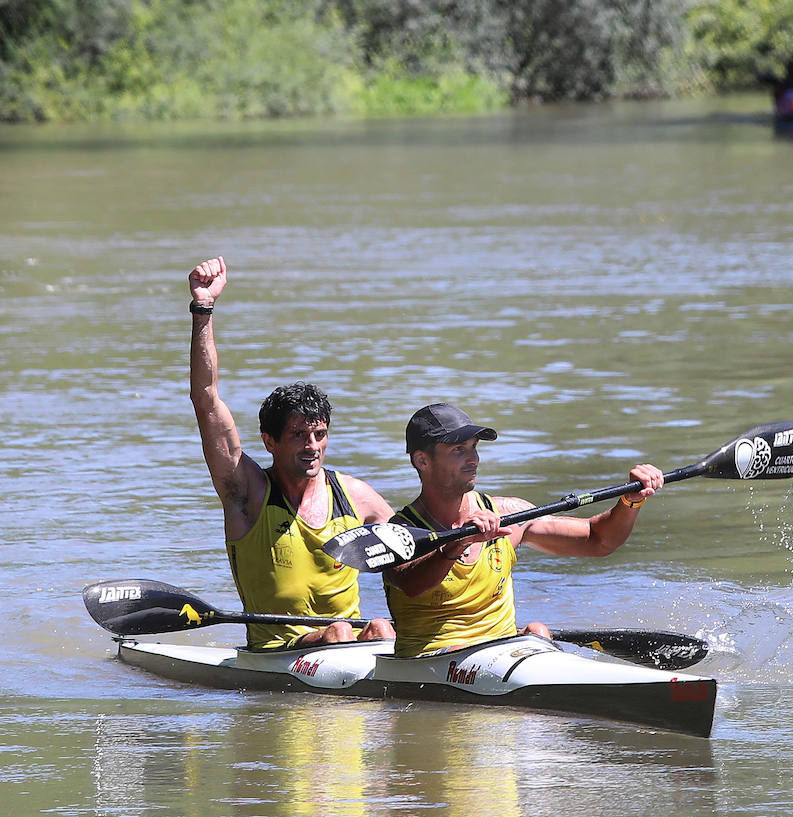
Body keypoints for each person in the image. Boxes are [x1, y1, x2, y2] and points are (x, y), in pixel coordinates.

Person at [188, 256, 396, 650]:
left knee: (382, 627)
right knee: (338, 631)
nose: (312, 447)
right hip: (279, 653)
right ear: (270, 441)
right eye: (299, 435)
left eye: (319, 434)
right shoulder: (246, 492)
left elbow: (412, 553)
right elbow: (206, 400)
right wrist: (203, 310)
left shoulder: (355, 496)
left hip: (352, 648)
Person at [382, 402, 663, 658]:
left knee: (538, 631)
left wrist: (629, 502)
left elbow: (598, 540)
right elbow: (411, 584)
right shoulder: (400, 532)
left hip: (499, 653)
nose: (474, 459)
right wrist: (458, 543)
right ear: (422, 461)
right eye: (459, 450)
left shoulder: (507, 514)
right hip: (431, 659)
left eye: (474, 447)